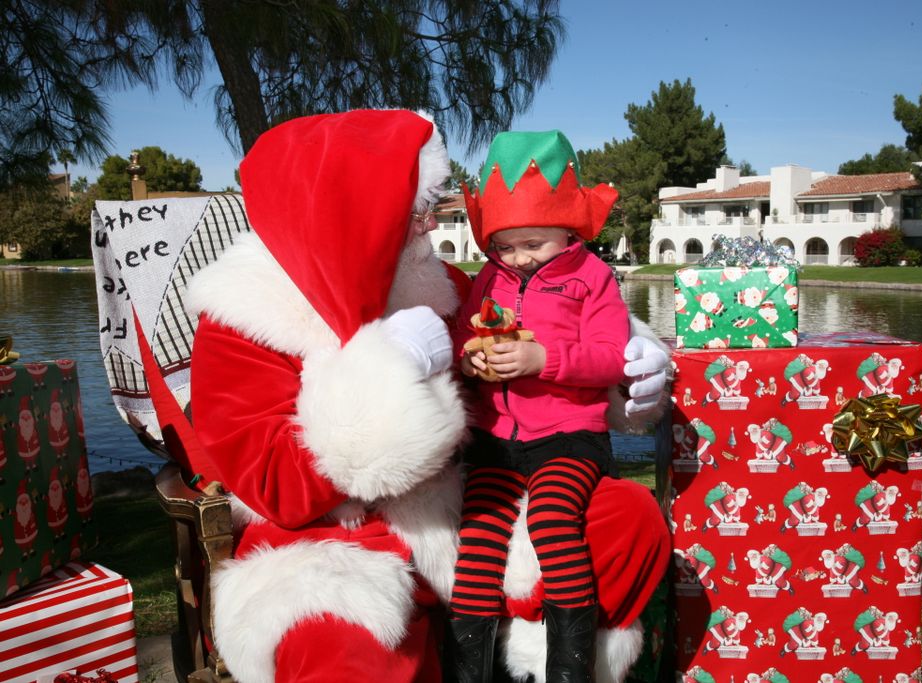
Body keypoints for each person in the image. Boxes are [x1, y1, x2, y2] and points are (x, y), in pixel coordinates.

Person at [187, 111, 670, 683]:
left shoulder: (440, 286)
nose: (428, 227)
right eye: (413, 212)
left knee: (624, 516)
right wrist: (388, 378)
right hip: (337, 538)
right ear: (350, 213)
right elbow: (279, 489)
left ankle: (542, 664)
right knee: (336, 645)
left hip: (470, 508)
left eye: (425, 210)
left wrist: (626, 373)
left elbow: (542, 341)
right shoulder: (244, 320)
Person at [447, 130, 631, 683]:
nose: (518, 258)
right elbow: (462, 337)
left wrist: (542, 360)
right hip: (497, 441)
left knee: (552, 519)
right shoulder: (487, 280)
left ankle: (570, 671)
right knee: (476, 541)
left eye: (533, 243)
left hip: (570, 437)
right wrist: (470, 363)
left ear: (567, 232)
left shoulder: (591, 278)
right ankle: (467, 673)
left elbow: (612, 359)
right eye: (504, 246)